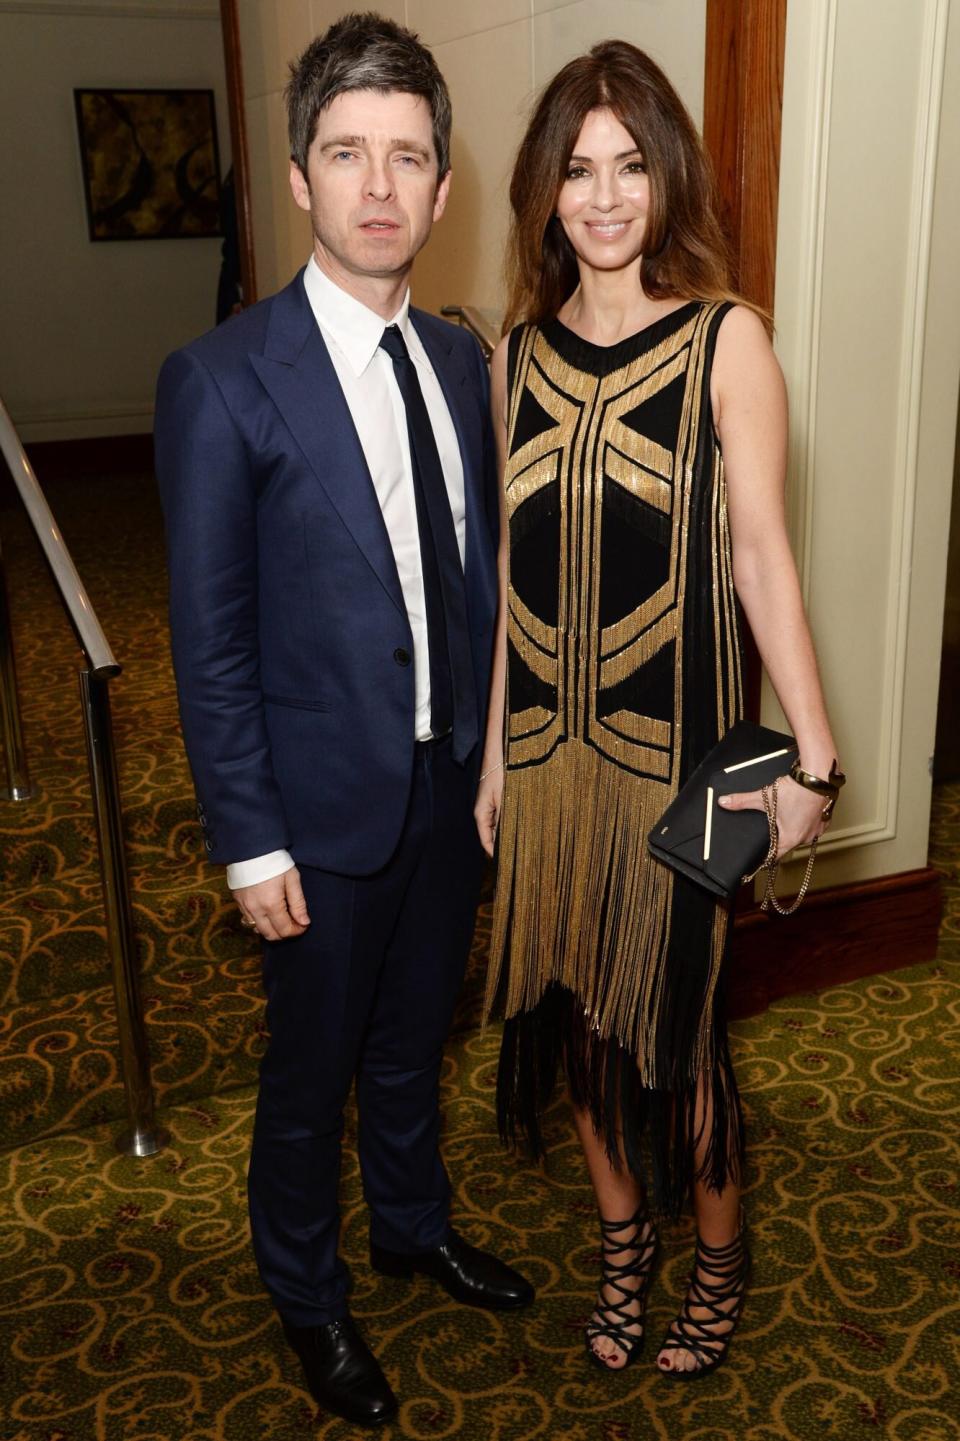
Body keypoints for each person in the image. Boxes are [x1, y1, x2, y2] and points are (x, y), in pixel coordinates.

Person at [155, 12, 532, 1430]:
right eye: (348, 154)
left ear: (442, 189)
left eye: (409, 158)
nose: (381, 186)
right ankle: (307, 1293)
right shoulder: (220, 379)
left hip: (447, 787)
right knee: (310, 1072)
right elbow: (212, 642)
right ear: (301, 177)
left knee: (416, 1033)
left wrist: (491, 753)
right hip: (315, 809)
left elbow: (477, 580)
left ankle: (413, 1223)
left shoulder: (460, 362)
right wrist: (251, 844)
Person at [476, 40, 841, 1380]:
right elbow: (506, 579)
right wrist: (496, 759)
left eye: (630, 165)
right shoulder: (514, 358)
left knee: (680, 1037)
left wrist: (813, 752)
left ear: (667, 174)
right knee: (578, 1023)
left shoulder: (725, 339)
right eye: (579, 168)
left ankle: (719, 1260)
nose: (606, 194)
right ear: (547, 190)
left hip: (683, 769)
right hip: (549, 767)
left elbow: (761, 558)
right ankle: (622, 1246)